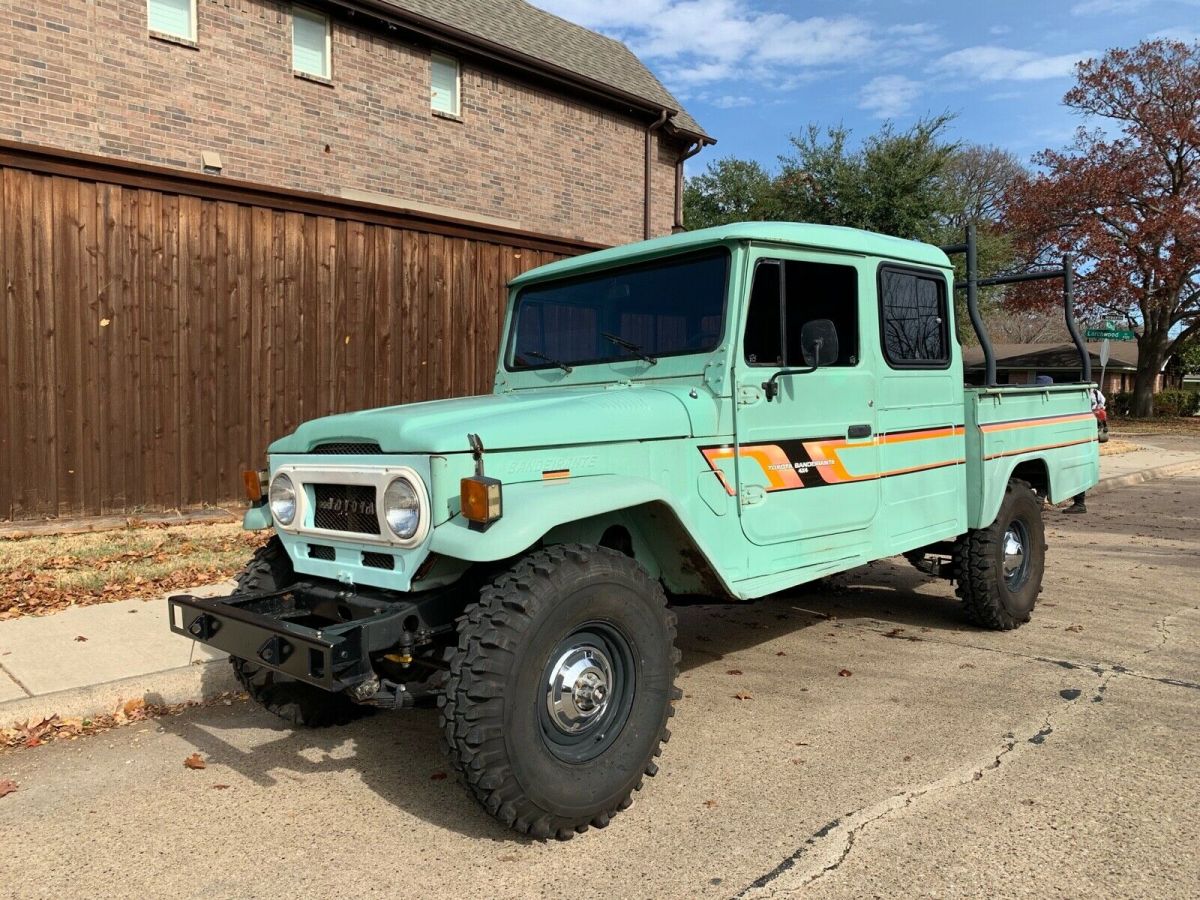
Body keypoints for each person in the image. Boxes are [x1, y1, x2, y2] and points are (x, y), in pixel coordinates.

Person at [1064, 387, 1105, 514]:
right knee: (1078, 467)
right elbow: (1101, 409)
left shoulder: (1078, 394)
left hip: (1079, 433)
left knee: (1077, 467)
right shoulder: (1097, 394)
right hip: (1088, 433)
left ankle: (1079, 503)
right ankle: (1079, 503)